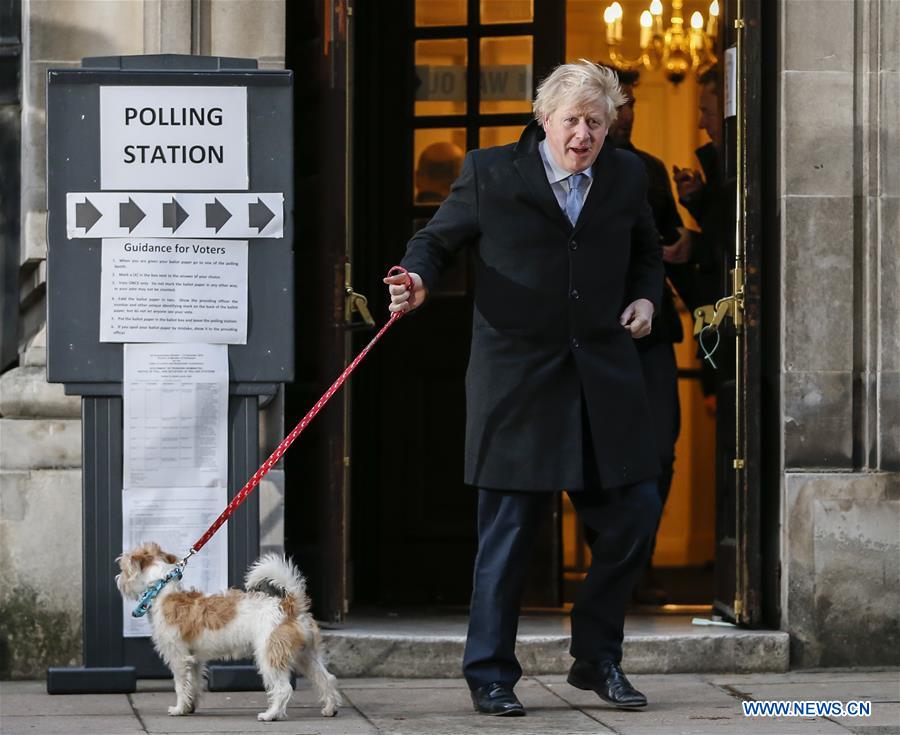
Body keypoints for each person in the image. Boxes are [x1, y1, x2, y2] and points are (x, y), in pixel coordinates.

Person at [384, 61, 664, 717]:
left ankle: (596, 658)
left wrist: (646, 298)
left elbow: (646, 252)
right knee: (508, 537)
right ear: (544, 119)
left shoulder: (626, 175)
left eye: (596, 123)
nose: (583, 135)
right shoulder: (490, 172)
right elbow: (435, 241)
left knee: (633, 515)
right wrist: (416, 281)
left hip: (602, 377)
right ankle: (489, 673)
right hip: (518, 382)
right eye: (572, 121)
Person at [603, 65, 686, 605]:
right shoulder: (568, 168)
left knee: (660, 450)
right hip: (595, 334)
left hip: (652, 333)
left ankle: (642, 561)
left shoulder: (650, 169)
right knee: (599, 453)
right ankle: (610, 566)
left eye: (630, 103)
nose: (625, 114)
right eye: (618, 104)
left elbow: (670, 244)